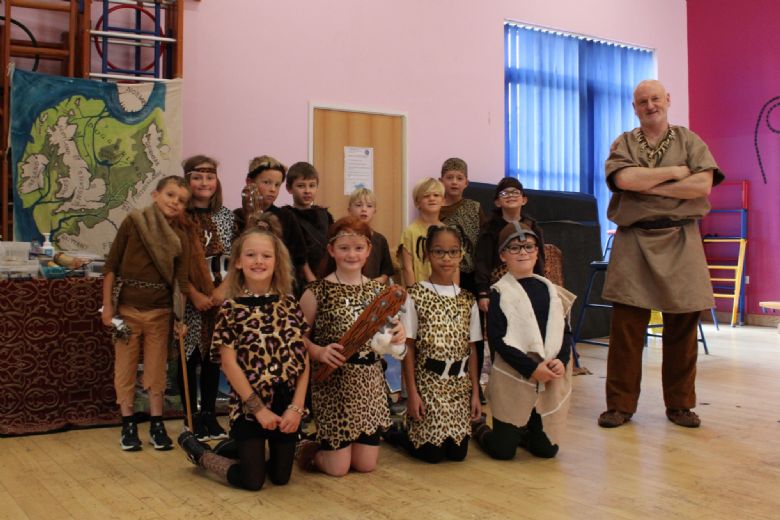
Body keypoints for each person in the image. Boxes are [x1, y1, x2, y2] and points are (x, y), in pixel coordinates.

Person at [597, 79, 724, 429]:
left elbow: (702, 184)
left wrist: (648, 184)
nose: (650, 105)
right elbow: (623, 181)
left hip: (682, 239)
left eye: (655, 98)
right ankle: (620, 406)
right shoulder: (624, 142)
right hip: (634, 240)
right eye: (642, 101)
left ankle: (681, 405)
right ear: (634, 108)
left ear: (667, 100)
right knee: (626, 329)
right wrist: (673, 175)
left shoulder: (690, 141)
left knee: (683, 325)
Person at [178, 228, 310, 491]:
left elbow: (303, 359)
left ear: (276, 262)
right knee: (253, 481)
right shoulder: (230, 309)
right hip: (249, 405)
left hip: (285, 402)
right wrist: (258, 410)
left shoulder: (290, 304)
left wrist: (296, 408)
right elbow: (228, 363)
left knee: (281, 477)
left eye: (266, 256)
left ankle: (236, 445)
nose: (258, 261)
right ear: (238, 261)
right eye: (251, 255)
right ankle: (202, 453)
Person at [297, 217, 406, 476]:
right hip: (333, 385)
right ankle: (304, 448)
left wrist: (398, 333)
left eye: (358, 248)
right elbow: (295, 336)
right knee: (338, 469)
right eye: (344, 248)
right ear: (331, 250)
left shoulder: (378, 292)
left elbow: (388, 334)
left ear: (368, 251)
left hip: (369, 384)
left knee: (366, 466)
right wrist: (318, 351)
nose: (352, 254)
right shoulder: (316, 291)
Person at [101, 176, 191, 451]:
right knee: (125, 367)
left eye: (181, 200)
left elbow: (181, 283)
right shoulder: (134, 222)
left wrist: (180, 318)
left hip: (161, 312)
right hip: (126, 310)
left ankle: (156, 423)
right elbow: (111, 265)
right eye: (170, 195)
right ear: (155, 195)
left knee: (156, 370)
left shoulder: (181, 237)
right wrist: (108, 308)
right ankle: (128, 423)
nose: (175, 202)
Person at [473, 222, 574, 460]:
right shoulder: (499, 292)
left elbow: (565, 333)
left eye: (528, 246)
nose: (523, 252)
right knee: (502, 451)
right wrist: (531, 368)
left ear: (537, 251)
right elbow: (498, 340)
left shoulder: (552, 291)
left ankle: (527, 431)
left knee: (546, 451)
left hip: (547, 377)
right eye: (515, 248)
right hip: (514, 376)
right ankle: (480, 428)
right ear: (503, 255)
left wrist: (560, 360)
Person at [384, 225, 482, 463]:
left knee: (458, 455)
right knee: (432, 456)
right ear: (427, 254)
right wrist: (413, 395)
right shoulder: (416, 295)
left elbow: (472, 348)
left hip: (458, 387)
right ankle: (397, 434)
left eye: (453, 252)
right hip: (429, 385)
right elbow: (409, 348)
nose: (446, 258)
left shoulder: (468, 299)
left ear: (461, 255)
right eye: (439, 252)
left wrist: (475, 394)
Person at [177, 155, 235, 441]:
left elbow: (235, 258)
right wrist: (195, 294)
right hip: (189, 297)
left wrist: (222, 292)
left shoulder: (226, 216)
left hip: (219, 296)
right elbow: (174, 263)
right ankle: (190, 418)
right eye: (197, 177)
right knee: (190, 355)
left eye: (209, 177)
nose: (204, 183)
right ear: (187, 181)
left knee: (214, 356)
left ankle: (210, 415)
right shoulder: (178, 217)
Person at [233, 155, 308, 292]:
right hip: (243, 288)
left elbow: (299, 258)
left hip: (281, 288)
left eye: (277, 185)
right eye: (267, 182)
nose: (273, 189)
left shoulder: (286, 217)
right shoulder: (237, 217)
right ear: (249, 182)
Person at [474, 177, 544, 315]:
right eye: (505, 193)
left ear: (524, 200)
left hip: (527, 283)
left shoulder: (533, 227)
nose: (511, 196)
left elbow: (539, 259)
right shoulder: (489, 229)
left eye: (515, 192)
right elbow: (483, 261)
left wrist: (540, 285)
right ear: (497, 202)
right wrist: (483, 292)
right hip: (499, 286)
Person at [438, 158, 486, 294]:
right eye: (449, 177)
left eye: (459, 178)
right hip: (444, 272)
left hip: (472, 275)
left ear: (466, 183)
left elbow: (485, 242)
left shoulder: (475, 208)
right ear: (441, 181)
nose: (454, 182)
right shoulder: (434, 208)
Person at [284, 161, 334, 284]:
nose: (307, 191)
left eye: (312, 185)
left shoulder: (324, 215)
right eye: (301, 186)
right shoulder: (287, 216)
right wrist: (309, 277)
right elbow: (295, 251)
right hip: (298, 278)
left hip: (326, 275)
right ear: (289, 188)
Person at [399, 177, 445, 286]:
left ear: (443, 201)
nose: (432, 199)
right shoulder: (410, 232)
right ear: (417, 203)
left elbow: (454, 268)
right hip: (419, 295)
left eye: (436, 195)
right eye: (426, 196)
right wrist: (415, 296)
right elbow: (407, 268)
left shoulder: (448, 232)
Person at [346, 188, 394, 284]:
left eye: (369, 206)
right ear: (349, 210)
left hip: (373, 290)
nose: (364, 209)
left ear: (374, 211)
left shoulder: (380, 240)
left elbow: (386, 271)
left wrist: (374, 283)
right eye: (359, 205)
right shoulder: (343, 238)